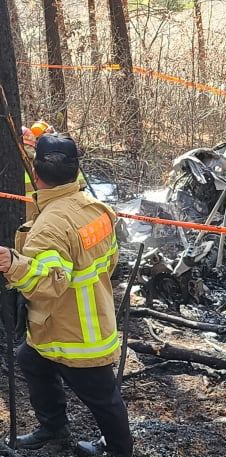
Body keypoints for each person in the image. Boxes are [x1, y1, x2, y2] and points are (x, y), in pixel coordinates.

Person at [0, 133, 133, 457]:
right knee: (29, 358)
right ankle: (54, 426)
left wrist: (13, 264)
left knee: (102, 397)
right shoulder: (95, 208)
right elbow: (111, 261)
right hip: (83, 320)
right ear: (76, 170)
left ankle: (119, 450)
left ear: (36, 172)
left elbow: (49, 285)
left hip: (75, 334)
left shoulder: (49, 225)